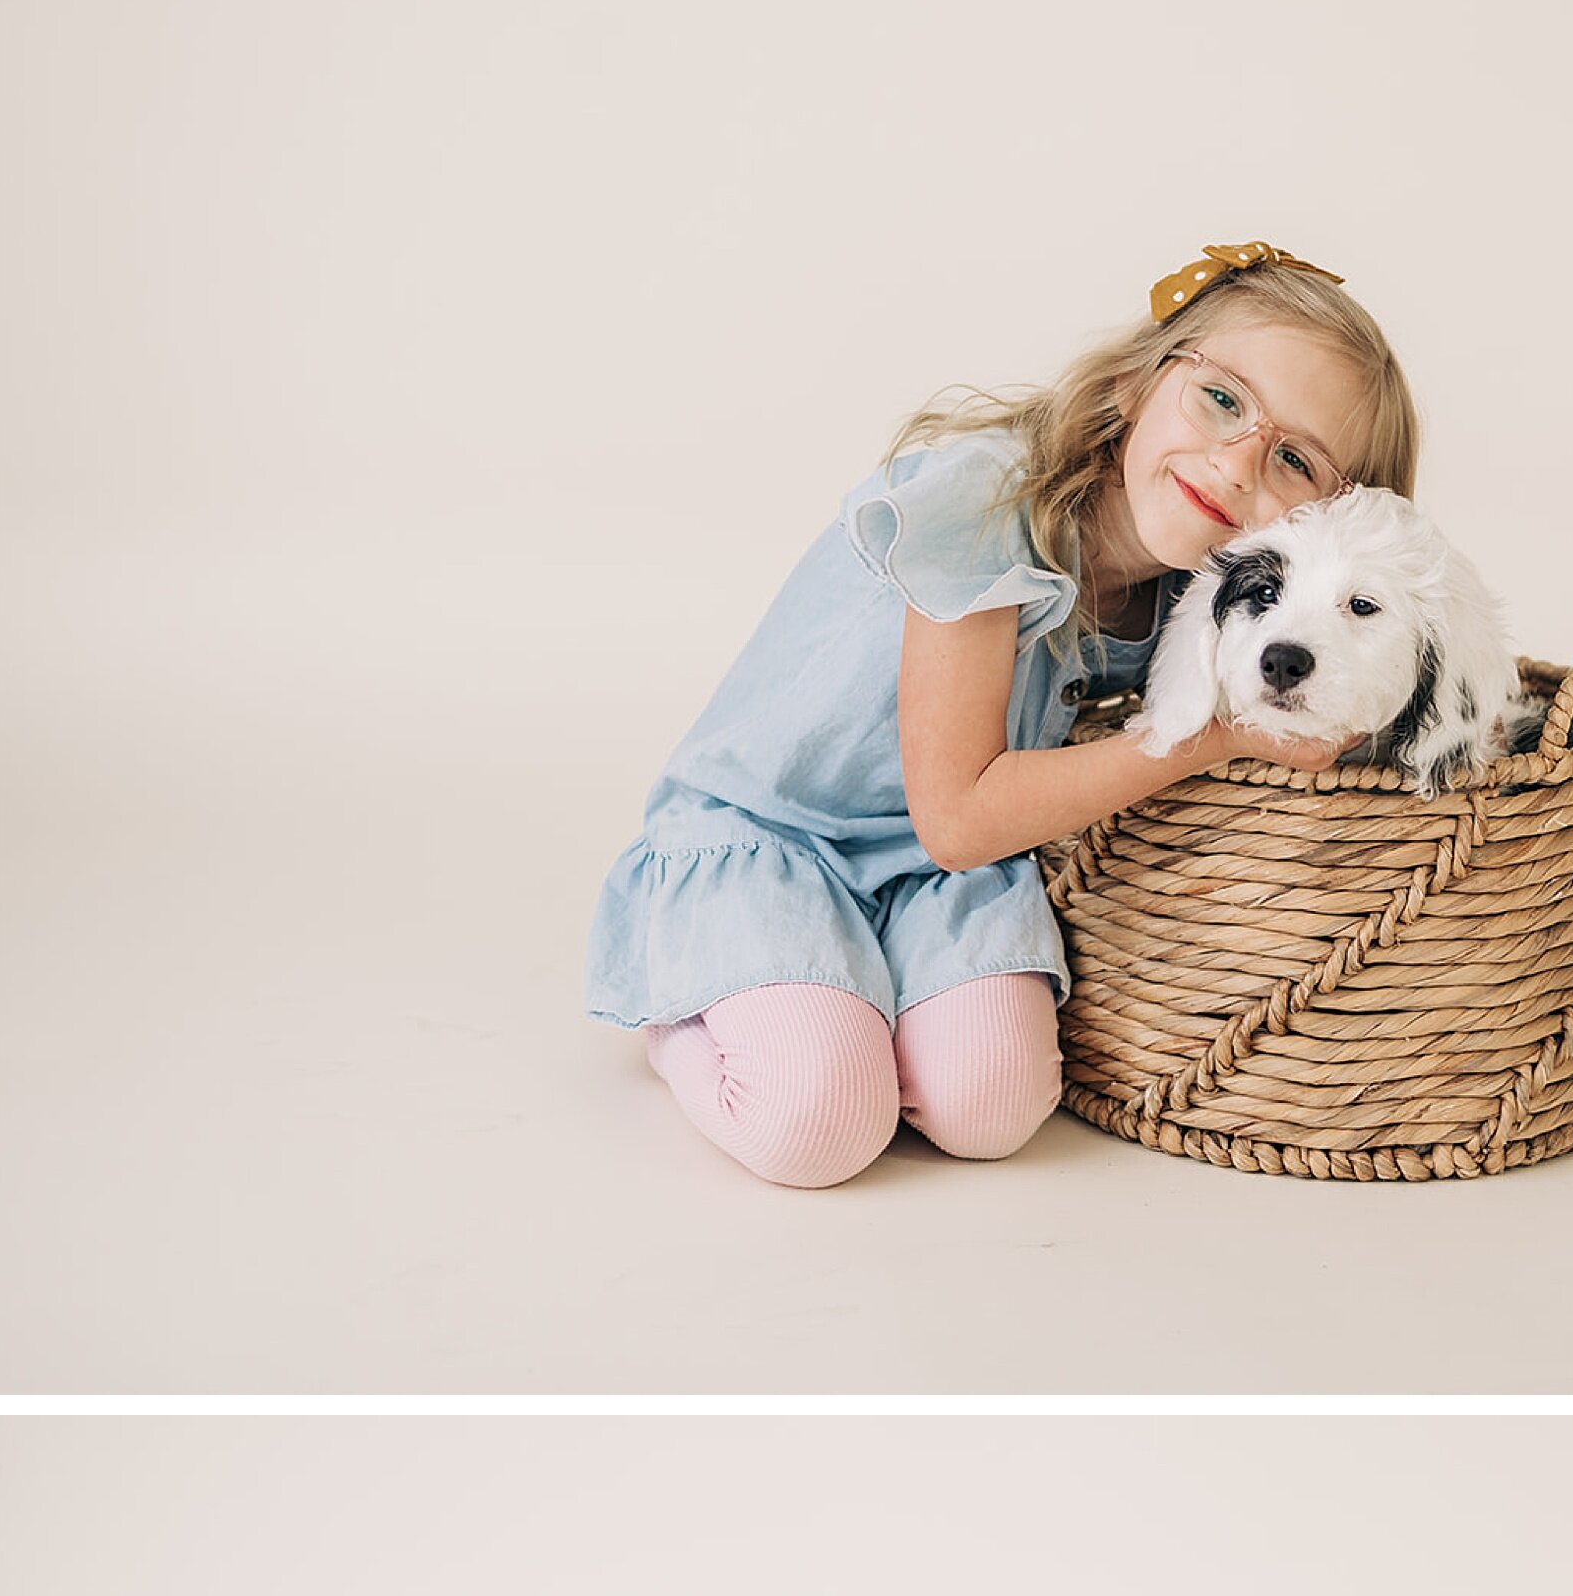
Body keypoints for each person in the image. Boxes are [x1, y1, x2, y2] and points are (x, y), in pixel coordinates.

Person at [584, 245, 1422, 1186]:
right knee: (819, 1125)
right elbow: (960, 815)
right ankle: (685, 1007)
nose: (1234, 465)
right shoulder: (987, 498)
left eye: (1295, 460)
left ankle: (854, 988)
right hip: (777, 838)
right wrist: (1212, 738)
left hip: (943, 880)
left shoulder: (1197, 599)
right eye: (1222, 399)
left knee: (992, 1107)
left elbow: (961, 848)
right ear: (1133, 387)